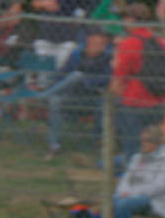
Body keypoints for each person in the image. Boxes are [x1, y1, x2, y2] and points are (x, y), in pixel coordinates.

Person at [112, 2, 165, 148]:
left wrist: (112, 96)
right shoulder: (160, 41)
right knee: (152, 145)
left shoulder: (129, 43)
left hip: (134, 101)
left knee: (133, 145)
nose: (123, 22)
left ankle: (130, 167)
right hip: (158, 99)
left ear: (132, 20)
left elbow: (119, 77)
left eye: (125, 18)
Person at [45, 27, 114, 158]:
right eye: (93, 43)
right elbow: (62, 74)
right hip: (73, 95)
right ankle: (54, 146)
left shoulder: (107, 58)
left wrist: (86, 81)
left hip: (93, 97)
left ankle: (45, 94)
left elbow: (106, 79)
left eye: (100, 44)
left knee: (77, 75)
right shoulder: (77, 54)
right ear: (87, 42)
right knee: (55, 100)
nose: (96, 46)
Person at [112, 124, 165, 218]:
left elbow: (159, 187)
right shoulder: (137, 158)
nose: (143, 144)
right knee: (111, 201)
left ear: (156, 143)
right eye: (142, 140)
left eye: (146, 141)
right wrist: (123, 192)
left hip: (157, 200)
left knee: (123, 205)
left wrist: (132, 194)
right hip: (134, 196)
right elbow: (126, 179)